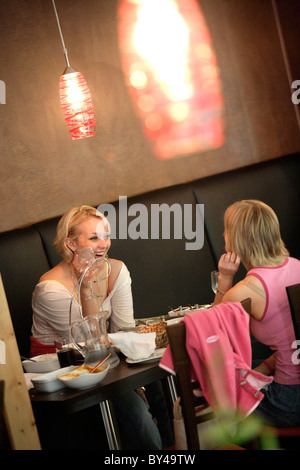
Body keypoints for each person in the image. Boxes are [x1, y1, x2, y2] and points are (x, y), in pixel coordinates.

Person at [31, 205, 169, 450]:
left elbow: (124, 331)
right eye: (94, 238)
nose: (104, 244)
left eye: (106, 235)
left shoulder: (116, 270)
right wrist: (86, 287)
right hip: (65, 377)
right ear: (71, 244)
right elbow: (90, 346)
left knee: (162, 376)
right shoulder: (49, 289)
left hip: (105, 362)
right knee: (135, 411)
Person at [213, 199, 300, 427]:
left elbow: (211, 335)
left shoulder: (246, 291)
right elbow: (290, 345)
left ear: (236, 239)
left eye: (226, 230)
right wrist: (255, 375)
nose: (223, 234)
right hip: (292, 387)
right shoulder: (296, 265)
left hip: (288, 401)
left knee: (215, 415)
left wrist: (224, 279)